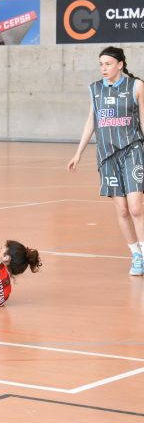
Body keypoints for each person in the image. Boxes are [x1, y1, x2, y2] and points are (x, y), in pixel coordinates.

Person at [68, 46, 144, 276]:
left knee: (135, 208)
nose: (103, 68)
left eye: (108, 63)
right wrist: (78, 153)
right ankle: (136, 255)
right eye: (101, 64)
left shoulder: (136, 86)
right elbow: (92, 121)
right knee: (121, 211)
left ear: (120, 64)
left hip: (133, 149)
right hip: (107, 154)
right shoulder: (96, 89)